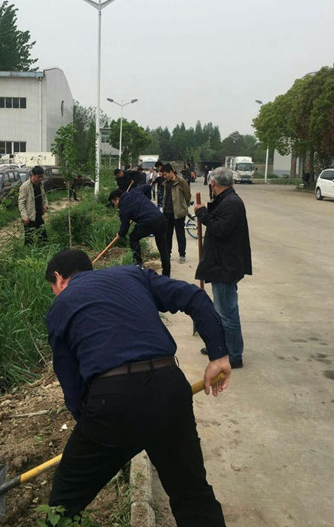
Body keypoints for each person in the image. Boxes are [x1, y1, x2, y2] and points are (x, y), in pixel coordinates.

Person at [45, 248, 231, 526]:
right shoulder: (133, 275)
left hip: (112, 401)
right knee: (193, 496)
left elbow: (71, 384)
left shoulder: (61, 306)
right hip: (169, 389)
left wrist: (94, 431)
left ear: (59, 278)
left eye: (53, 288)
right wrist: (218, 355)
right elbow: (194, 296)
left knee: (64, 499)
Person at [194, 166, 252, 369]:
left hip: (226, 266)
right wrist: (205, 212)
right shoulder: (226, 199)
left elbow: (220, 229)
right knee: (221, 312)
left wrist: (202, 213)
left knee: (227, 314)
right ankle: (221, 348)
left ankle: (234, 355)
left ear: (213, 183)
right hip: (221, 263)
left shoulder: (232, 203)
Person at [109, 185, 170, 276]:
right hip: (160, 218)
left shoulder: (123, 209)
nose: (115, 205)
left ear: (117, 199)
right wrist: (147, 200)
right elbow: (147, 187)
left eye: (114, 203)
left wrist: (120, 234)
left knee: (133, 237)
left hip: (148, 222)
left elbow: (125, 226)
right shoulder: (135, 191)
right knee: (163, 247)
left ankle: (138, 264)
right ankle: (166, 274)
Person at [162, 163, 191, 263]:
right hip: (167, 212)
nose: (164, 177)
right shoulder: (165, 183)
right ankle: (167, 254)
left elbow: (187, 195)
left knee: (180, 235)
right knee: (167, 234)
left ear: (171, 172)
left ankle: (182, 255)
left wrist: (183, 206)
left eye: (165, 174)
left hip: (179, 213)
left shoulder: (181, 182)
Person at [18, 165, 48, 245]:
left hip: (39, 215)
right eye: (39, 177)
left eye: (42, 177)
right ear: (33, 175)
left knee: (43, 238)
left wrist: (45, 205)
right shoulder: (25, 186)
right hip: (29, 217)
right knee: (29, 240)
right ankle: (27, 252)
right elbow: (21, 203)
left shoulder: (40, 185)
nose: (40, 179)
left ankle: (43, 250)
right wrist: (24, 216)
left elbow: (44, 197)